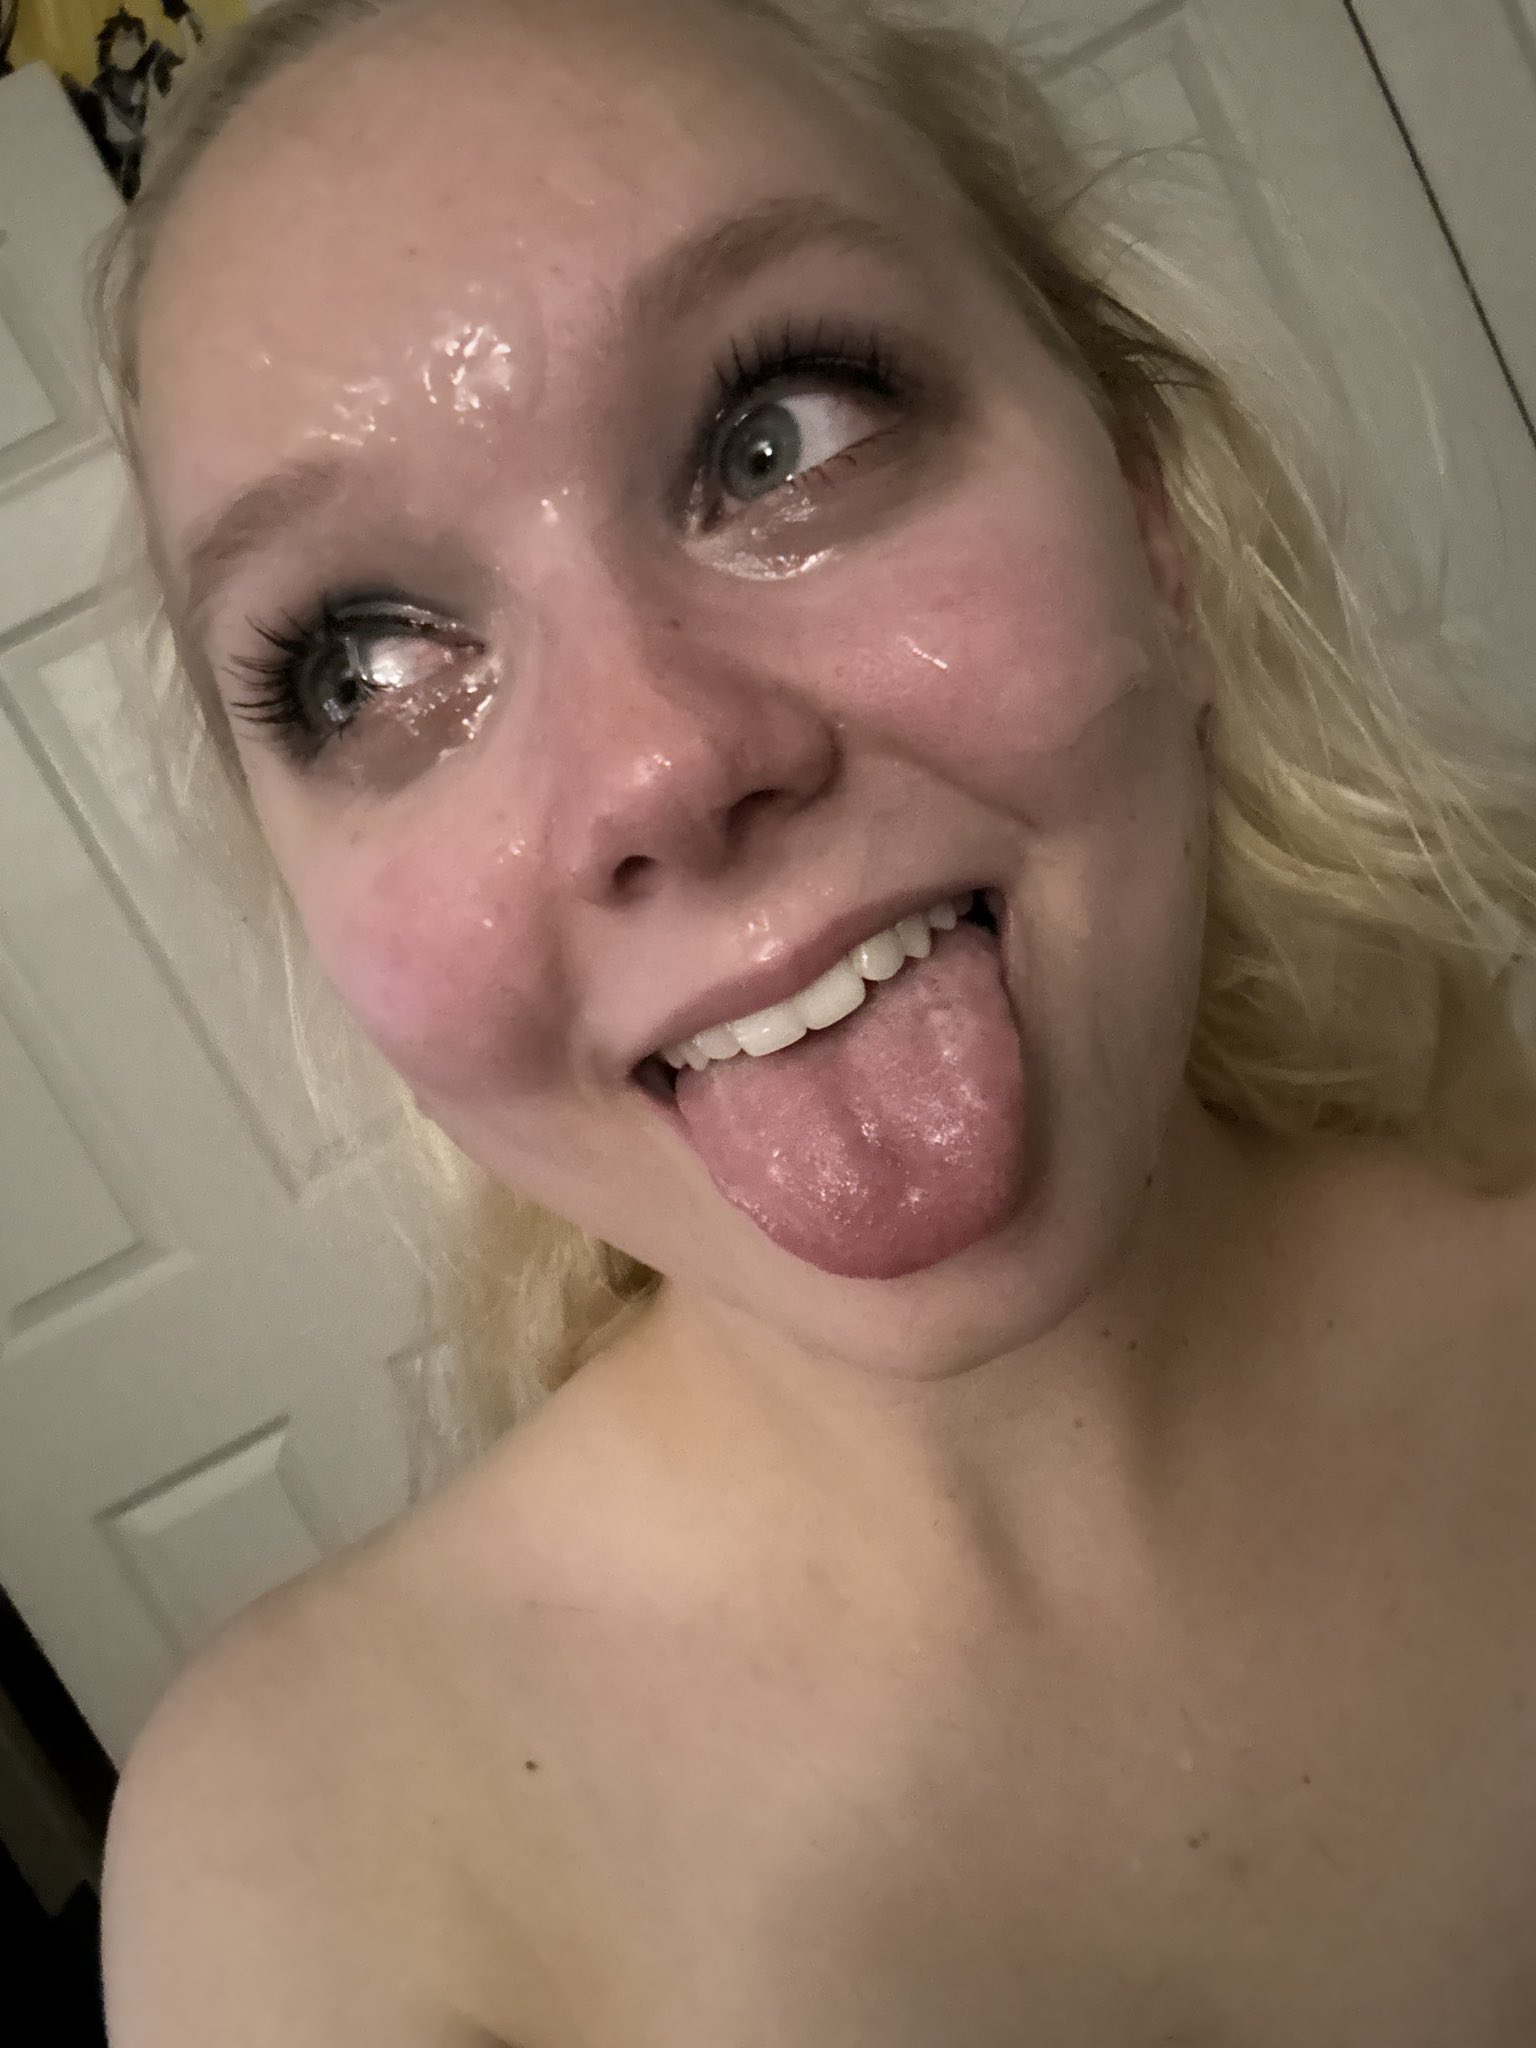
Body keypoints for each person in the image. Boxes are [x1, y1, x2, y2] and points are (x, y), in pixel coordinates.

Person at [94, 0, 1536, 2039]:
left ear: (1151, 518)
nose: (661, 767)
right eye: (368, 667)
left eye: (777, 436)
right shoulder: (310, 1859)